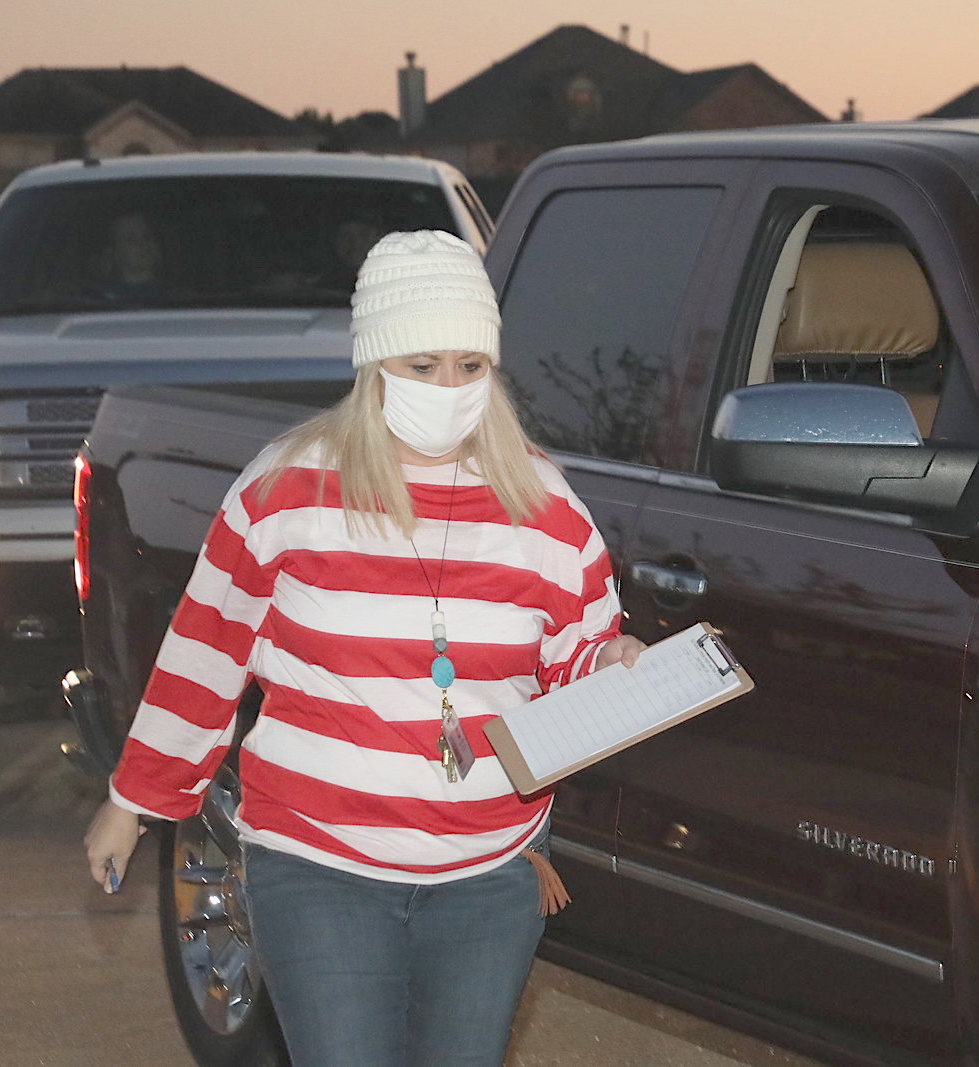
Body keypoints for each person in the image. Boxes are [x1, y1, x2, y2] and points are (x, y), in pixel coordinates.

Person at [83, 230, 643, 1066]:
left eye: (468, 365)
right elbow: (206, 649)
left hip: (491, 868)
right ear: (374, 364)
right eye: (423, 365)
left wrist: (610, 663)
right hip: (318, 862)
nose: (450, 388)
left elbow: (575, 650)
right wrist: (135, 800)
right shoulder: (285, 490)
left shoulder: (544, 505)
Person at [93, 209, 166, 301]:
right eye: (131, 239)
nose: (143, 243)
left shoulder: (179, 296)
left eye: (147, 236)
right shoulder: (98, 300)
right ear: (114, 253)